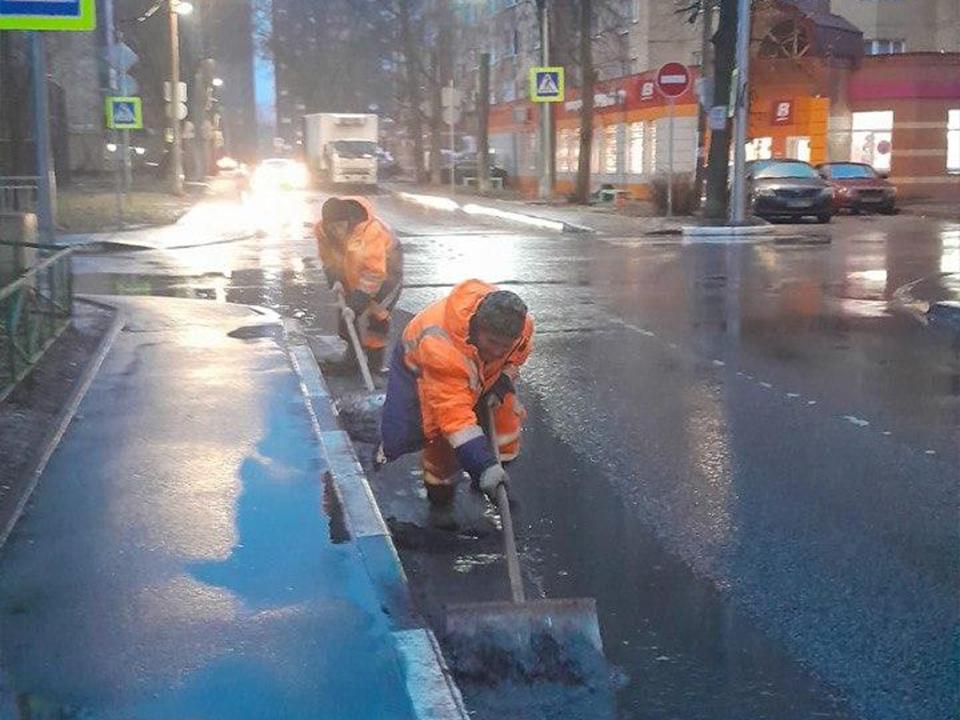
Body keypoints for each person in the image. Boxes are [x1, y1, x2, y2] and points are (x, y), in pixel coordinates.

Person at [379, 279, 533, 511]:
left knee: (505, 419)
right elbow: (454, 417)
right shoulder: (441, 348)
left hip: (476, 374)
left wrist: (504, 379)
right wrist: (483, 465)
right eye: (492, 342)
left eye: (505, 345)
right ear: (476, 327)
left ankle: (492, 478)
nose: (498, 351)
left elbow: (518, 354)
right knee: (434, 433)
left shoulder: (521, 329)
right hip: (422, 371)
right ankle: (440, 497)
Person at [315, 196, 403, 372]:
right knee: (346, 312)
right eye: (333, 228)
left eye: (341, 226)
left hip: (387, 269)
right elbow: (329, 259)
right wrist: (336, 280)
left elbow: (374, 273)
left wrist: (356, 304)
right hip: (353, 268)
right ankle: (352, 359)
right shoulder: (322, 231)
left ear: (349, 221)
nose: (337, 232)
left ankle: (374, 365)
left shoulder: (370, 232)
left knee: (377, 313)